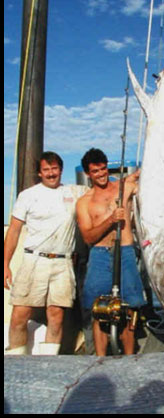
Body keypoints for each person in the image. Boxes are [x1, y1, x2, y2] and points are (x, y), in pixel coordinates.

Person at [4, 152, 88, 355]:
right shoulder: (28, 195)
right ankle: (16, 363)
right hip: (34, 261)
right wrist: (5, 264)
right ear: (39, 173)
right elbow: (14, 230)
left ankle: (46, 365)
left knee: (56, 315)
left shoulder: (75, 192)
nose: (51, 174)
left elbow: (105, 192)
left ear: (61, 170)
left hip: (63, 263)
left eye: (55, 169)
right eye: (46, 170)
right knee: (19, 315)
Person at [76, 148, 146, 356]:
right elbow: (88, 237)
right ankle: (100, 360)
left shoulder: (125, 187)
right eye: (95, 171)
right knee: (99, 309)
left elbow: (148, 173)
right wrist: (110, 221)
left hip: (125, 252)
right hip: (99, 255)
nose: (101, 174)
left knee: (130, 308)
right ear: (88, 174)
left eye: (103, 169)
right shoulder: (84, 202)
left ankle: (130, 357)